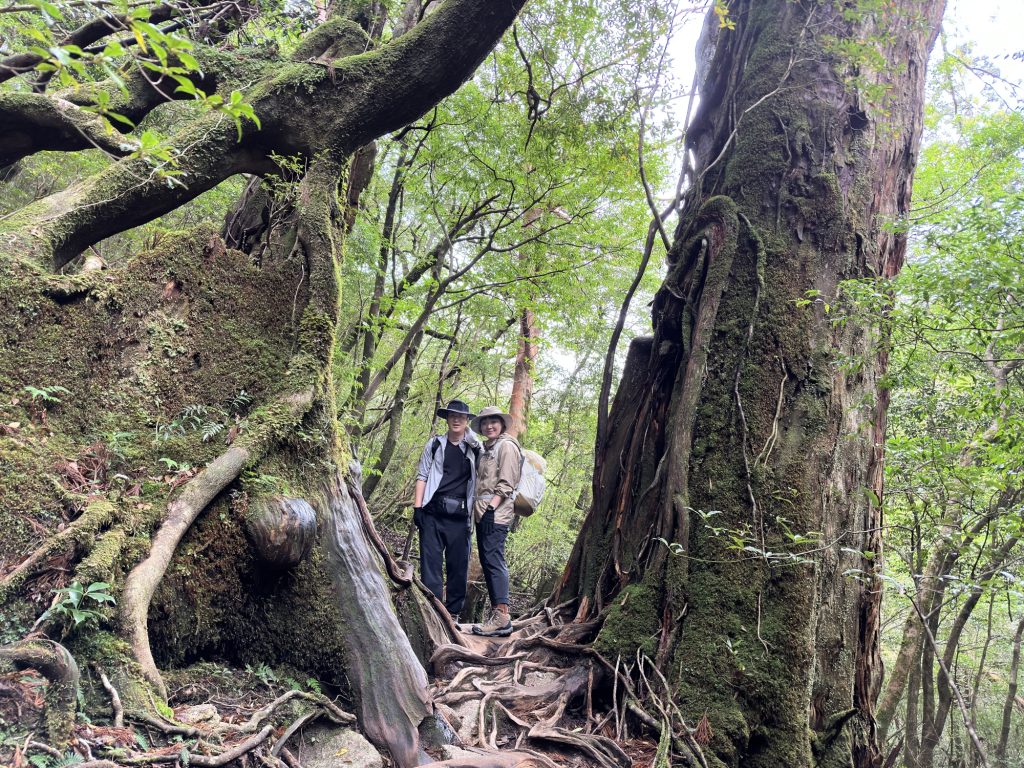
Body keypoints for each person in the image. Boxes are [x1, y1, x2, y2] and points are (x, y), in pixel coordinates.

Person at [413, 399, 480, 619]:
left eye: (461, 417)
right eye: (452, 416)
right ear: (447, 419)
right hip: (432, 513)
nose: (456, 420)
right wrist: (418, 507)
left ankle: (452, 615)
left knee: (458, 567)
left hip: (460, 518)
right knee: (430, 564)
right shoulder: (435, 445)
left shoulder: (473, 449)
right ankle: (432, 612)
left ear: (467, 421)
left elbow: (487, 470)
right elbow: (422, 475)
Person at [469, 405, 521, 637]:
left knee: (494, 561)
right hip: (483, 513)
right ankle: (498, 617)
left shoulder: (507, 446)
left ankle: (502, 617)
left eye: (494, 421)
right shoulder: (488, 448)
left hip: (496, 514)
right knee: (488, 560)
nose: (489, 425)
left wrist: (491, 509)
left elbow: (507, 483)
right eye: (485, 422)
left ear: (501, 424)